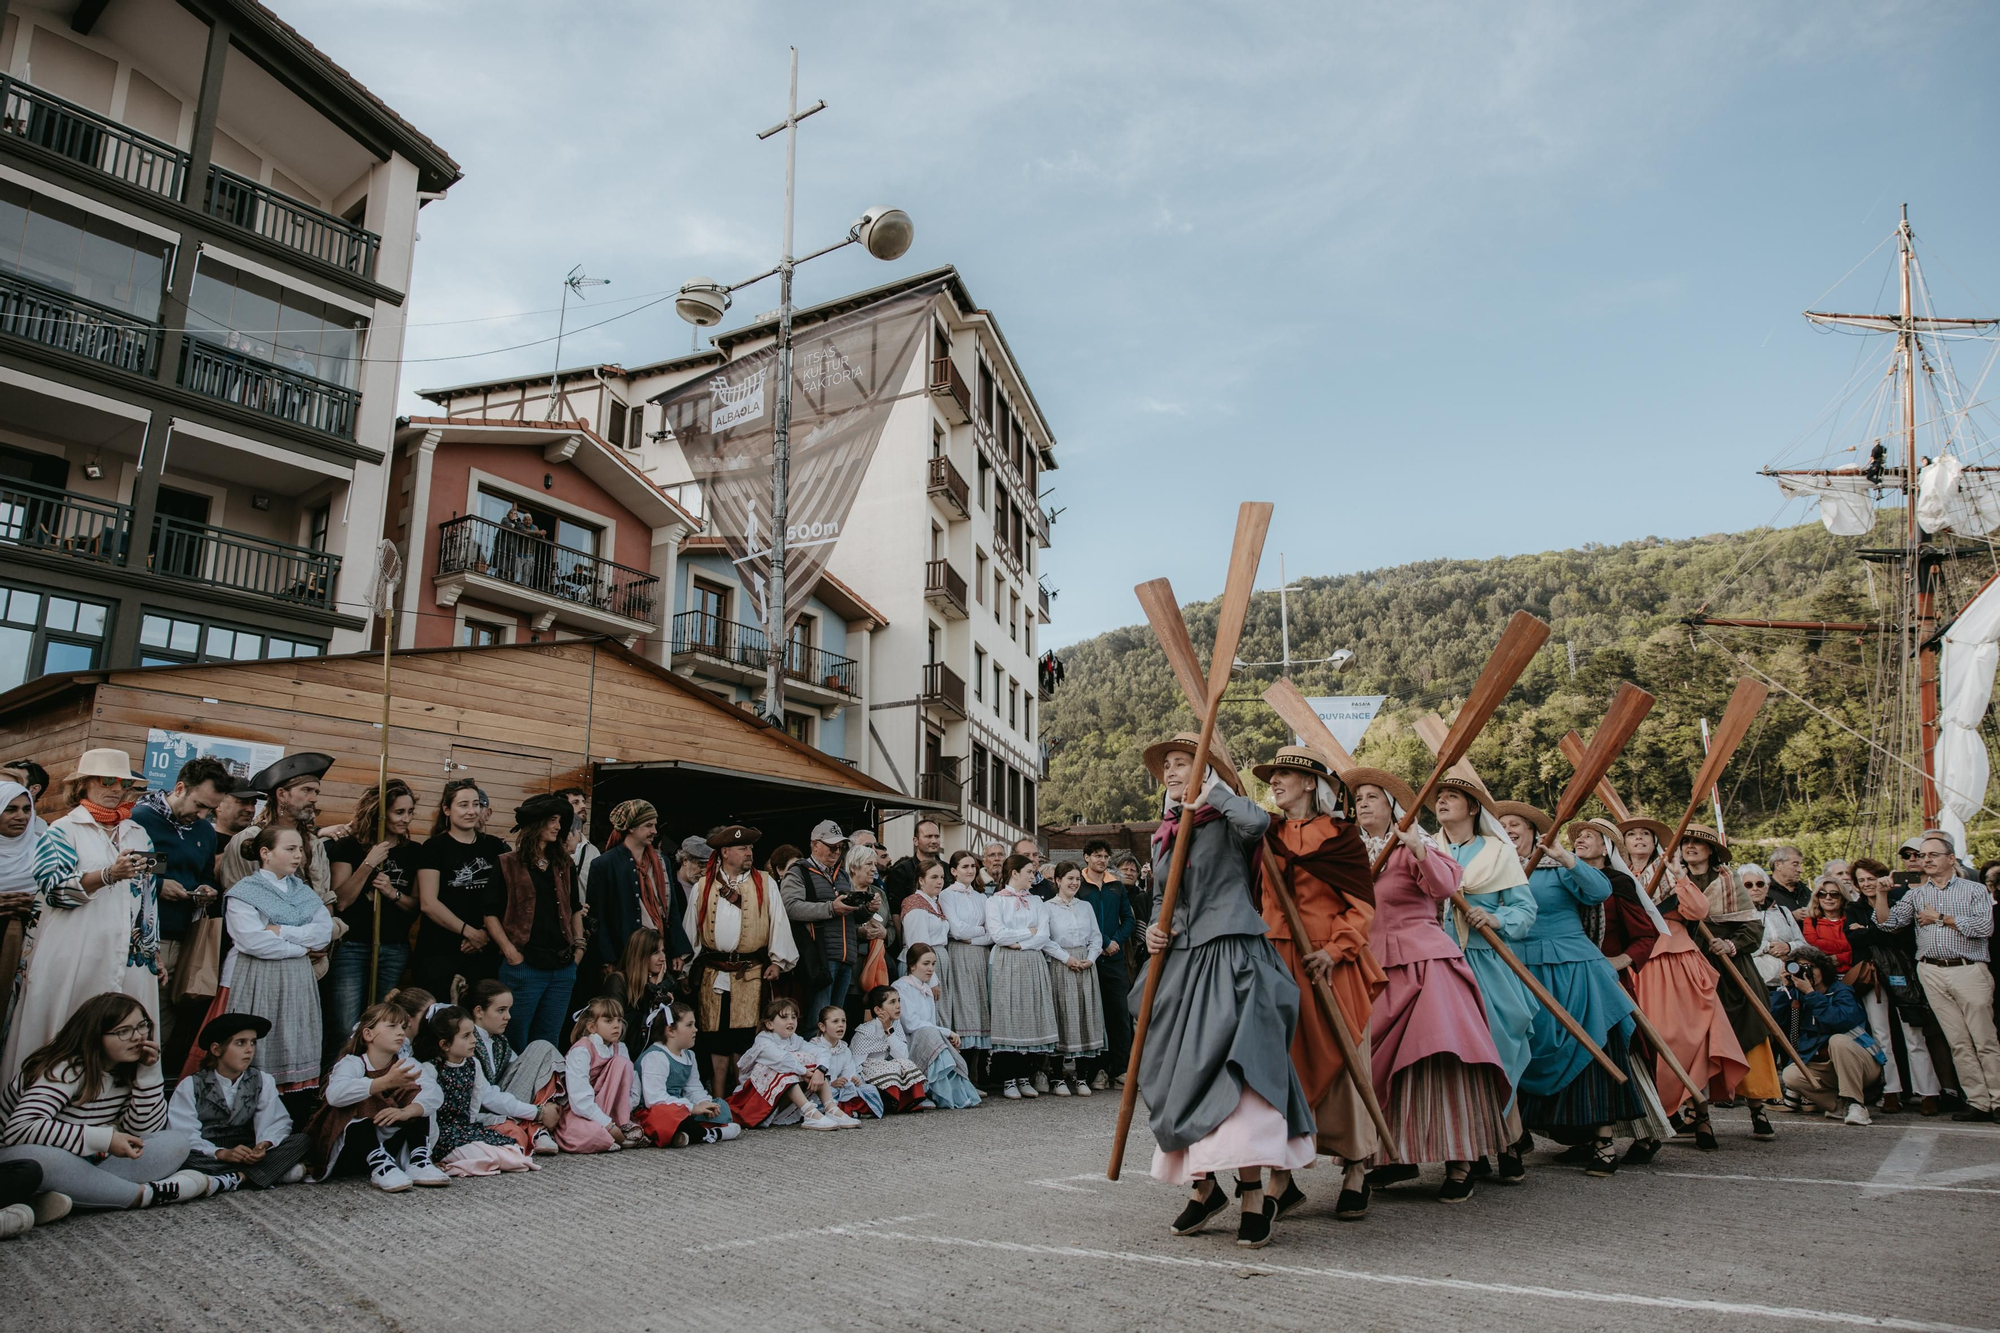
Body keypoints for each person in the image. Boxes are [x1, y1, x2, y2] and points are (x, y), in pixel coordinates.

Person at [1137, 733, 1313, 1249]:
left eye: (1182, 763)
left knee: (1241, 1070)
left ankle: (1254, 1194)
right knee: (1176, 1072)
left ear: (1206, 771)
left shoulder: (1230, 817)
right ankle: (1204, 1187)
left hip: (1233, 951)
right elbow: (1161, 900)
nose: (1171, 772)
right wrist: (1154, 928)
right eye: (1167, 765)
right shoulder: (1162, 832)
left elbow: (1260, 824)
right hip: (1181, 962)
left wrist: (1211, 792)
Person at [1350, 767, 1509, 1206]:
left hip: (1428, 962)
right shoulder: (1350, 850)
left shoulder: (1419, 844)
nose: (1362, 803)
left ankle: (1460, 1160)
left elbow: (1445, 886)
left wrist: (1419, 848)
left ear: (1393, 806)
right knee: (1377, 1062)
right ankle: (1396, 1155)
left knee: (1441, 1053)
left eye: (1371, 796)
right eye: (1358, 797)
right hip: (1370, 965)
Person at [1252, 747, 1383, 1219]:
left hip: (1329, 962)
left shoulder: (1342, 838)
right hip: (1275, 961)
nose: (1276, 781)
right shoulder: (1264, 834)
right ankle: (1280, 1178)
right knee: (1280, 1067)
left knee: (1346, 1067)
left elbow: (1361, 907)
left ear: (1310, 783)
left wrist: (1334, 950)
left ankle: (1355, 1169)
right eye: (1274, 774)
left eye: (1285, 773)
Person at [1499, 803, 1644, 1177]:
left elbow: (1598, 891)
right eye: (1501, 825)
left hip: (1575, 969)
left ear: (1533, 831)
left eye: (1515, 824)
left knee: (1592, 1050)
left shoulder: (1553, 866)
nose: (1508, 829)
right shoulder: (1493, 868)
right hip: (1517, 971)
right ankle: (1514, 1139)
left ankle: (1603, 1143)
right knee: (1518, 1053)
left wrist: (1566, 858)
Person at [4, 749, 157, 1086]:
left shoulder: (138, 833)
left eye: (123, 782)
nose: (116, 788)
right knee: (64, 1027)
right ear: (84, 784)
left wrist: (151, 948)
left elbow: (148, 896)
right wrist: (106, 875)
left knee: (126, 1034)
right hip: (74, 949)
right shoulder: (62, 831)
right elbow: (54, 891)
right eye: (106, 780)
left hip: (128, 957)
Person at [0, 991, 211, 1211]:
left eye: (142, 1026)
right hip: (19, 1158)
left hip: (88, 1161)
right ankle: (144, 1195)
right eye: (123, 1031)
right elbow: (20, 1129)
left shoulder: (126, 1069)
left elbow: (144, 1131)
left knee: (176, 1141)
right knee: (47, 1161)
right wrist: (106, 1140)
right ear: (94, 1036)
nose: (138, 1036)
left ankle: (83, 1193)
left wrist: (148, 1074)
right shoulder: (67, 1067)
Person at [1432, 780, 1539, 1182]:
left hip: (1484, 961)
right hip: (1437, 965)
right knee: (1452, 1058)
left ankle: (1509, 1141)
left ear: (1474, 808)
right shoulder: (1426, 848)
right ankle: (1463, 1151)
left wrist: (1496, 918)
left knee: (1498, 1053)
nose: (1441, 801)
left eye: (1452, 797)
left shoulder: (1499, 852)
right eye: (1439, 797)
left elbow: (1525, 911)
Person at [1625, 818, 1747, 1149]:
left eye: (1645, 835)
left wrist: (1678, 874)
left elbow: (1698, 910)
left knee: (1689, 1040)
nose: (1638, 840)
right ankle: (1652, 1122)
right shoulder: (1617, 875)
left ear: (1655, 844)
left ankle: (1701, 1113)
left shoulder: (1668, 875)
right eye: (1632, 835)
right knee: (1644, 1046)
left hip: (1675, 961)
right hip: (1634, 964)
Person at [1564, 818, 1672, 1166]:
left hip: (1610, 984)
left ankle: (1647, 1131)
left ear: (1607, 847)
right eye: (1577, 836)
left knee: (1623, 1053)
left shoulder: (1619, 884)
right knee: (1578, 1055)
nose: (1580, 840)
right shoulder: (1565, 878)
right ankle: (1583, 1133)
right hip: (1570, 981)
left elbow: (1645, 936)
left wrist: (1619, 961)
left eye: (1589, 836)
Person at [1872, 831, 2000, 1122]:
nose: (1924, 859)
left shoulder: (1974, 890)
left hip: (1968, 968)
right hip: (1931, 969)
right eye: (1922, 855)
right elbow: (1888, 924)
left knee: (1985, 1039)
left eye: (1932, 855)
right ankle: (1978, 1102)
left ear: (1951, 859)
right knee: (1957, 1041)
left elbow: (1984, 928)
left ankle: (1998, 1099)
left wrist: (1941, 918)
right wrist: (1881, 894)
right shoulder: (1916, 893)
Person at [210, 826, 333, 1112]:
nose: (298, 855)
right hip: (255, 977)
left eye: (300, 849)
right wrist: (300, 947)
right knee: (255, 1041)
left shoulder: (303, 892)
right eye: (290, 849)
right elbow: (251, 940)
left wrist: (280, 930)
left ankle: (290, 1114)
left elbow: (323, 933)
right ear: (265, 853)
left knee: (296, 1039)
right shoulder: (245, 892)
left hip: (297, 980)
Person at [1677, 826, 1781, 1141]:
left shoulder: (1728, 881)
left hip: (1732, 971)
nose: (1691, 847)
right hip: (1689, 970)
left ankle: (1757, 1107)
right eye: (1687, 842)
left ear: (1711, 851)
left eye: (1698, 843)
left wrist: (1731, 945)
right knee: (1697, 1043)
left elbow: (1752, 928)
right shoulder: (1672, 880)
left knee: (1748, 1035)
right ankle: (1700, 1114)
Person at [682, 824, 797, 1099]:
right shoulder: (704, 885)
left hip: (751, 972)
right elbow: (691, 930)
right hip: (713, 973)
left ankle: (740, 1097)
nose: (749, 853)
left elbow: (778, 922)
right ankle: (719, 1096)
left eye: (750, 848)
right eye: (742, 848)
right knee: (715, 1038)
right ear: (725, 852)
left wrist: (778, 961)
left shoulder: (765, 882)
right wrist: (686, 967)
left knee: (744, 1038)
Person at [129, 757, 228, 1069]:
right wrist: (158, 885)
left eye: (210, 810)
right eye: (199, 805)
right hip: (141, 937)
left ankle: (150, 1083)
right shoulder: (140, 819)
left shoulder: (204, 831)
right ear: (180, 788)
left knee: (167, 1018)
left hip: (185, 937)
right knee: (135, 1013)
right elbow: (131, 871)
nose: (202, 815)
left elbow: (205, 875)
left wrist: (206, 889)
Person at [304, 1002, 444, 1190]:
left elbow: (434, 1093)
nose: (401, 1032)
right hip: (352, 1148)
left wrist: (406, 1111)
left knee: (416, 1092)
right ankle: (380, 1166)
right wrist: (383, 1083)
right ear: (368, 1034)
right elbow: (334, 1095)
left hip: (390, 1142)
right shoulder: (353, 1063)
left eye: (403, 1027)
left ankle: (418, 1160)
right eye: (392, 1026)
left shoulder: (406, 1063)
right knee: (360, 1093)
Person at [168, 1011, 310, 1192]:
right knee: (179, 1155)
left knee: (302, 1141)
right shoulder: (191, 1085)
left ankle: (235, 1178)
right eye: (240, 1043)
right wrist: (221, 1153)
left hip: (246, 1149)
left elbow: (274, 1121)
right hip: (209, 1151)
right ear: (216, 1049)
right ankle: (267, 1174)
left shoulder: (262, 1080)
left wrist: (263, 1145)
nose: (249, 1049)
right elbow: (183, 1133)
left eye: (253, 1042)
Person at [486, 794, 585, 1053]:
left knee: (548, 1040)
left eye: (559, 821)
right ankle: (512, 1093)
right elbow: (490, 914)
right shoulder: (507, 863)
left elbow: (575, 909)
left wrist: (579, 949)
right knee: (515, 1038)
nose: (557, 826)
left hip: (562, 967)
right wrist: (510, 952)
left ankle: (542, 1094)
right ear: (536, 822)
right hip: (524, 966)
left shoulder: (565, 864)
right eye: (551, 820)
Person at [325, 780, 423, 1033]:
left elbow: (415, 907)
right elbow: (341, 900)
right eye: (399, 812)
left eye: (410, 812)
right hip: (351, 946)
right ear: (378, 812)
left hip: (394, 947)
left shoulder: (414, 851)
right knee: (346, 1026)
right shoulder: (349, 846)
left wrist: (392, 893)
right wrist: (369, 863)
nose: (406, 819)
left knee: (382, 1025)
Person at [1846, 857, 1941, 1115]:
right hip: (1872, 976)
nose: (1866, 884)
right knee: (1881, 1034)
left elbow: (1899, 931)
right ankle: (1891, 1090)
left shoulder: (1899, 899)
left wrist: (1870, 929)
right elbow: (1855, 937)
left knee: (1913, 1034)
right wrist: (1876, 931)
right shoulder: (1853, 908)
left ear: (1882, 879)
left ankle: (1928, 1092)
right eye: (1861, 880)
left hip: (1902, 971)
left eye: (1870, 879)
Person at [412, 780, 509, 998]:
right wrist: (469, 932)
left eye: (476, 804)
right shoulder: (433, 848)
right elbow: (428, 903)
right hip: (440, 950)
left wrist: (484, 934)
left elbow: (505, 897)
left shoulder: (495, 846)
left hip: (484, 948)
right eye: (463, 805)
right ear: (446, 809)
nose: (472, 811)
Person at [415, 1005, 537, 1176]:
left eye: (473, 1033)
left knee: (512, 1149)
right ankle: (451, 1163)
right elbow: (430, 1114)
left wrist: (470, 1127)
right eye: (465, 1036)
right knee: (490, 1157)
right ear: (445, 1044)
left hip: (464, 1128)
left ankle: (483, 1158)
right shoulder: (432, 1069)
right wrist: (430, 1150)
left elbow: (475, 1101)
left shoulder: (473, 1064)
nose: (473, 1040)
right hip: (443, 1135)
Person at [582, 802, 686, 1002]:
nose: (654, 831)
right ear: (630, 827)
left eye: (654, 825)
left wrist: (678, 949)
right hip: (624, 953)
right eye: (648, 825)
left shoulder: (662, 861)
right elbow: (598, 915)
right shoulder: (604, 864)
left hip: (658, 950)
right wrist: (607, 959)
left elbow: (670, 909)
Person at [1769, 945, 1882, 1126]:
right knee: (1791, 1074)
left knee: (1837, 1040)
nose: (1807, 973)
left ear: (1823, 968)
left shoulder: (1841, 991)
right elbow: (1773, 1022)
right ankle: (1837, 1106)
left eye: (1811, 967)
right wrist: (1786, 990)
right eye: (1800, 968)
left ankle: (1856, 1104)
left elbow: (1839, 1021)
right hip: (1826, 1067)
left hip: (1863, 1063)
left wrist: (1812, 994)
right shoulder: (1797, 994)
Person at [780, 823, 873, 1024]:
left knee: (835, 1022)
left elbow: (849, 916)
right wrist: (831, 908)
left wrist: (867, 910)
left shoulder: (842, 874)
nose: (837, 851)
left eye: (840, 847)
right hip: (819, 957)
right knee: (817, 1023)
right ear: (814, 844)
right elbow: (790, 908)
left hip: (845, 957)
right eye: (832, 846)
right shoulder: (799, 871)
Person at [985, 852, 1060, 1100]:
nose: (1033, 876)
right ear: (1015, 873)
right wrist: (1027, 932)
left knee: (1029, 1015)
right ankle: (1008, 1078)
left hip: (1030, 961)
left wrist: (1022, 942)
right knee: (1009, 1015)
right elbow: (998, 935)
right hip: (1007, 962)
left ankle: (1023, 1075)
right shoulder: (995, 901)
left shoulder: (1037, 902)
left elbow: (1043, 935)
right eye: (1029, 871)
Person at [463, 979, 560, 1154]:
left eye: (508, 1010)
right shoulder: (467, 1042)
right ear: (479, 1011)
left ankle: (539, 1124)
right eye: (501, 1010)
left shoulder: (500, 1041)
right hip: (478, 1112)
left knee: (542, 1049)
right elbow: (486, 1096)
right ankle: (537, 1127)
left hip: (502, 1104)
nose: (508, 1016)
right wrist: (538, 1112)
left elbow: (526, 1070)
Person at [727, 996, 845, 1130]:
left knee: (812, 1060)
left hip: (778, 1100)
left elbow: (822, 1052)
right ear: (769, 1024)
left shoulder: (794, 1040)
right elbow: (782, 1060)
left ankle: (830, 1108)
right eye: (784, 1017)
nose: (791, 1021)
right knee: (785, 1065)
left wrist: (820, 1071)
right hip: (755, 1101)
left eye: (793, 1017)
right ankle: (809, 1112)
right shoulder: (763, 1041)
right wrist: (805, 1072)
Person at [633, 1002, 739, 1147]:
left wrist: (703, 1103)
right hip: (653, 1111)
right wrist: (692, 1108)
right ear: (670, 1031)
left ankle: (686, 1133)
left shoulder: (689, 1056)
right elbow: (654, 1099)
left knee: (721, 1106)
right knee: (668, 1116)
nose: (695, 1029)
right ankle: (710, 1134)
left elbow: (693, 1088)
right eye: (689, 1025)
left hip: (681, 1107)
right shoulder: (656, 1057)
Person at [1041, 861, 1105, 1096]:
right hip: (1061, 963)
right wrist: (1066, 958)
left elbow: (1096, 937)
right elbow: (1045, 939)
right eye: (1069, 878)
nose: (1074, 883)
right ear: (1058, 880)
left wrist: (1091, 958)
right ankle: (1057, 1076)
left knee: (1084, 1015)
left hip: (1085, 964)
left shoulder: (1085, 906)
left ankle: (1082, 1076)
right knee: (1063, 1015)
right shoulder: (1047, 907)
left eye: (1077, 879)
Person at [1077, 839, 1137, 1090]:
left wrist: (1115, 941)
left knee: (1120, 1013)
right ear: (1086, 857)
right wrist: (1101, 941)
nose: (1102, 860)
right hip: (1088, 958)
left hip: (1114, 959)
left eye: (1105, 856)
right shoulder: (1078, 884)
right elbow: (1080, 919)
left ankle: (1121, 1068)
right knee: (1093, 1015)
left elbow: (1129, 920)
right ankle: (1097, 1070)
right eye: (1097, 856)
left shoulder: (1116, 887)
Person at [891, 943, 981, 1107]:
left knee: (934, 1037)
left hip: (925, 1037)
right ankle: (926, 1092)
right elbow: (910, 1024)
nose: (930, 969)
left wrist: (944, 1038)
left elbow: (930, 1024)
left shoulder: (926, 989)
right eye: (925, 964)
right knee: (930, 1035)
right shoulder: (901, 986)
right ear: (911, 966)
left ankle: (950, 1090)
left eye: (933, 964)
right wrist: (946, 1033)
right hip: (907, 1041)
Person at [554, 996, 638, 1151]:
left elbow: (632, 1086)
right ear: (592, 1027)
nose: (616, 1026)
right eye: (608, 1021)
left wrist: (625, 1111)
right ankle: (609, 1132)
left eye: (619, 1020)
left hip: (612, 1111)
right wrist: (608, 1125)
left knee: (622, 1063)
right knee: (593, 1135)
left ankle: (623, 1124)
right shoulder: (582, 1050)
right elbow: (580, 1101)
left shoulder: (620, 1048)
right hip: (583, 1112)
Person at [0, 781, 42, 1065]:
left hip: (26, 944)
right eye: (10, 809)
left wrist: (35, 904)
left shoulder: (41, 850)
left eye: (27, 809)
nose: (22, 816)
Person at [851, 985, 928, 1113]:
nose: (898, 1006)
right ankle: (888, 1100)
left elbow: (903, 1055)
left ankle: (907, 1100)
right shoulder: (865, 1031)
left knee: (905, 1063)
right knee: (891, 1067)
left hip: (885, 1067)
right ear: (878, 1010)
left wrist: (889, 1031)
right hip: (868, 1073)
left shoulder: (895, 1025)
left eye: (898, 1000)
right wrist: (861, 1086)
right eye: (892, 1002)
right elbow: (856, 1063)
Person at [611, 928, 674, 1059]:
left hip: (653, 1056)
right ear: (640, 955)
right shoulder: (618, 980)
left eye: (663, 951)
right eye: (656, 953)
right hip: (622, 1056)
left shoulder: (664, 983)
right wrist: (653, 991)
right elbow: (617, 1026)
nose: (663, 958)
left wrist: (658, 989)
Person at [812, 1005, 881, 1120]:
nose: (841, 1025)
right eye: (835, 1021)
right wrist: (831, 1084)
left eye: (843, 1021)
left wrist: (852, 1080)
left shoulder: (844, 1049)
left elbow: (849, 1072)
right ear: (822, 1026)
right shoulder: (815, 1048)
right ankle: (843, 1111)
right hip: (823, 1091)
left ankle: (848, 1110)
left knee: (866, 1090)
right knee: (833, 1096)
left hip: (840, 1089)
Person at [1742, 864, 1806, 987]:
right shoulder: (1738, 916)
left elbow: (1803, 944)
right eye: (1748, 885)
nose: (1755, 888)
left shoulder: (1783, 912)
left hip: (1791, 982)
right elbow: (1739, 948)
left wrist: (1788, 946)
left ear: (1767, 887)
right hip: (1757, 985)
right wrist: (1767, 946)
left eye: (1760, 884)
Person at [898, 859, 952, 971]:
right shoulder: (916, 904)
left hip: (936, 961)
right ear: (921, 880)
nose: (940, 881)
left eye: (942, 877)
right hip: (921, 965)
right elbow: (918, 945)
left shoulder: (934, 903)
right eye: (934, 877)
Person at [885, 817, 944, 918]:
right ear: (916, 841)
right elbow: (895, 910)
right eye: (928, 836)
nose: (934, 841)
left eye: (936, 836)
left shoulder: (947, 869)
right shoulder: (901, 871)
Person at [1798, 878, 1854, 971]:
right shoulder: (1811, 921)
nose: (1828, 898)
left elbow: (1863, 949)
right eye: (1822, 894)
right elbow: (1813, 944)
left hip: (1856, 975)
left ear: (1842, 898)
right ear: (1817, 898)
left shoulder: (1853, 919)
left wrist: (1840, 958)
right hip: (1825, 977)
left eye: (1834, 894)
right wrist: (1849, 945)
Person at [557, 788, 600, 886]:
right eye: (575, 802)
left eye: (584, 802)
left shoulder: (593, 851)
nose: (583, 806)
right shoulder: (551, 844)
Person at [1767, 846, 1810, 913]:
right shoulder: (1764, 892)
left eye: (1800, 865)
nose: (1800, 870)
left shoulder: (1804, 891)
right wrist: (1791, 917)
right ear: (1778, 865)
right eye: (1795, 865)